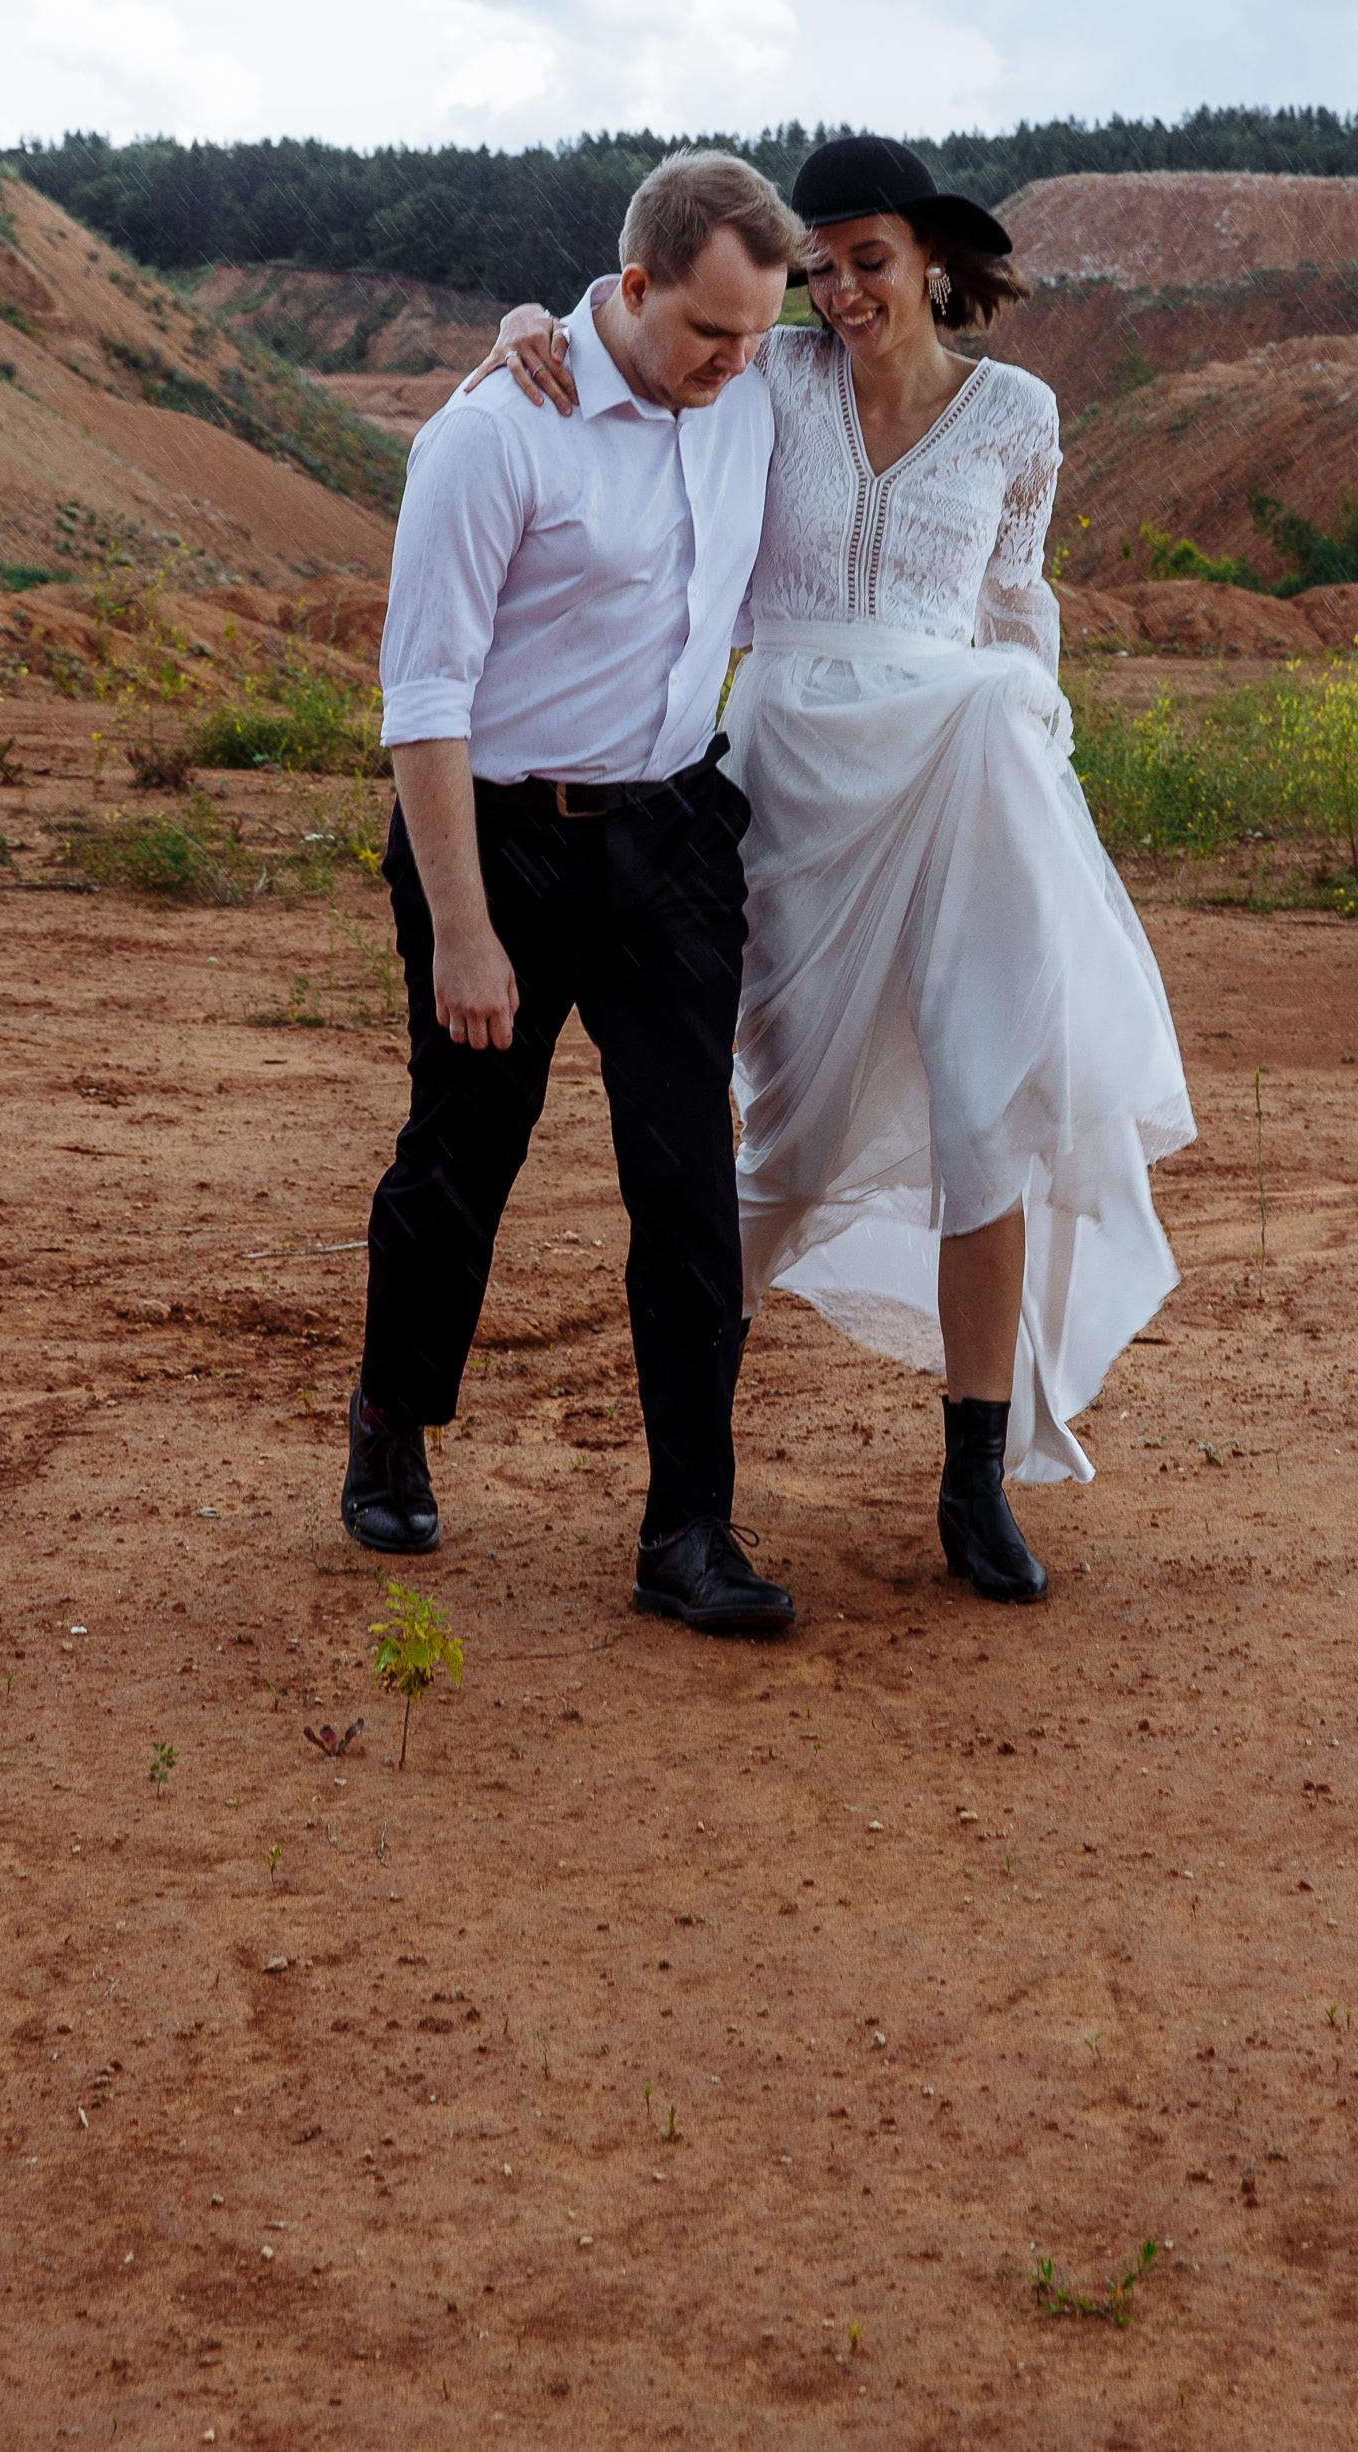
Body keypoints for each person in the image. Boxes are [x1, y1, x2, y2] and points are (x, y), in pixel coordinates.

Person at [477, 131, 1193, 1604]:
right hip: (789, 772)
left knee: (985, 1102)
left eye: (868, 261)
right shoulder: (774, 378)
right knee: (780, 1139)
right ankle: (692, 1490)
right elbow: (638, 318)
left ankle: (975, 1483)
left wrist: (1029, 740)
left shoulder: (1020, 414)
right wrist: (526, 326)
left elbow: (1012, 608)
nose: (842, 293)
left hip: (958, 776)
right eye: (822, 269)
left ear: (931, 257)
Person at [340, 149, 806, 1638]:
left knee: (688, 1186)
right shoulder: (492, 438)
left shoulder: (750, 387)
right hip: (498, 844)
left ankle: (689, 1533)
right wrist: (464, 930)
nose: (738, 365)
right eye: (707, 334)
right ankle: (390, 1418)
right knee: (463, 1151)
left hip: (672, 838)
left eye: (755, 334)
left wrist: (697, 349)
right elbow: (422, 697)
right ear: (631, 289)